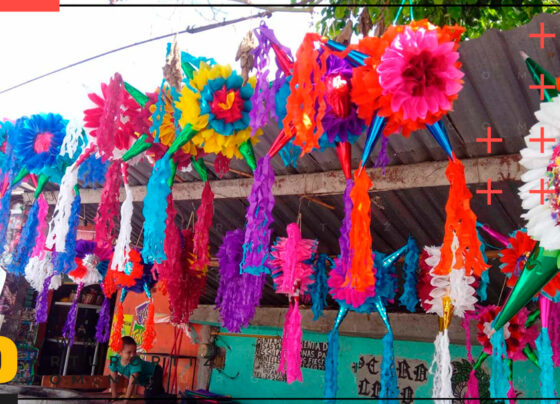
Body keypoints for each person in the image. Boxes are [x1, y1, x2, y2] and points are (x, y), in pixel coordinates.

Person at [109, 336, 172, 403]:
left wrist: (125, 402)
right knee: (157, 395)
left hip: (155, 372)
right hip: (146, 379)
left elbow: (132, 383)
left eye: (134, 351)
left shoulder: (135, 361)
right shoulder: (114, 360)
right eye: (129, 352)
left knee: (150, 398)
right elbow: (113, 380)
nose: (132, 355)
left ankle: (176, 398)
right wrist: (114, 397)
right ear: (119, 352)